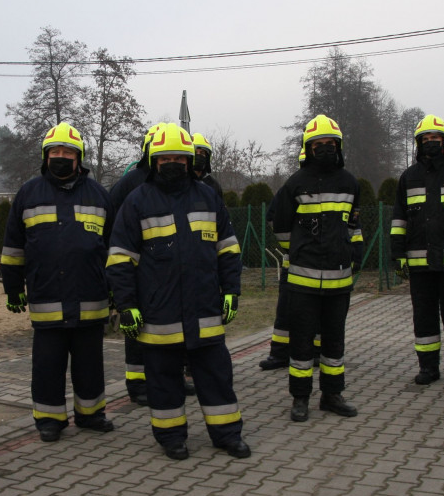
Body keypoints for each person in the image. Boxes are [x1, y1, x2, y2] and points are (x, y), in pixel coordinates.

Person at [107, 122, 249, 460]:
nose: (172, 163)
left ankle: (227, 434)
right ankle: (171, 438)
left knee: (216, 376)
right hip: (159, 314)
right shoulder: (137, 201)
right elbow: (119, 259)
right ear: (153, 161)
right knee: (163, 380)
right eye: (165, 157)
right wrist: (127, 305)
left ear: (189, 161)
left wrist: (231, 290)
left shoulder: (208, 196)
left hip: (204, 309)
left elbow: (228, 248)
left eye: (179, 158)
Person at [0, 122, 116, 442]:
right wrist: (12, 287)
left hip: (90, 297)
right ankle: (50, 420)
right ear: (45, 156)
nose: (61, 157)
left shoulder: (99, 195)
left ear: (79, 158)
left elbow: (114, 248)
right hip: (46, 295)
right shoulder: (29, 193)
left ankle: (91, 414)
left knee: (89, 364)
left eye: (68, 152)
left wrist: (117, 289)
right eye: (55, 152)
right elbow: (13, 245)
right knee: (48, 365)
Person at [272, 115, 364, 423]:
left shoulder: (350, 183)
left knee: (334, 341)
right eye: (318, 144)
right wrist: (296, 252)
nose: (324, 149)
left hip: (339, 281)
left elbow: (353, 224)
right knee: (301, 342)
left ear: (338, 146)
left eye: (329, 144)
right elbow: (282, 227)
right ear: (308, 148)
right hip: (303, 280)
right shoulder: (295, 184)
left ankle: (332, 395)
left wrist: (353, 253)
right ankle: (300, 398)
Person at [391, 114, 444, 385]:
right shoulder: (409, 177)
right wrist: (397, 253)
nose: (430, 143)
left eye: (435, 138)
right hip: (419, 265)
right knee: (423, 318)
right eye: (425, 139)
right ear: (418, 143)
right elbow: (399, 218)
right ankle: (428, 368)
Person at [110, 123, 167, 406]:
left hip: (165, 268)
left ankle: (171, 379)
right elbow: (112, 221)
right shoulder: (132, 182)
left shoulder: (171, 181)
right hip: (137, 266)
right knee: (136, 326)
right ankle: (137, 384)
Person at [259, 147, 321, 370]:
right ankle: (280, 354)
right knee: (285, 310)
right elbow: (274, 217)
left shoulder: (334, 187)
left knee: (319, 312)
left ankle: (315, 352)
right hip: (293, 263)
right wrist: (293, 246)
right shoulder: (291, 187)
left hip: (323, 264)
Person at [191, 132, 223, 197]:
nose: (198, 155)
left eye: (202, 153)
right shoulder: (182, 182)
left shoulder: (213, 185)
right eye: (195, 152)